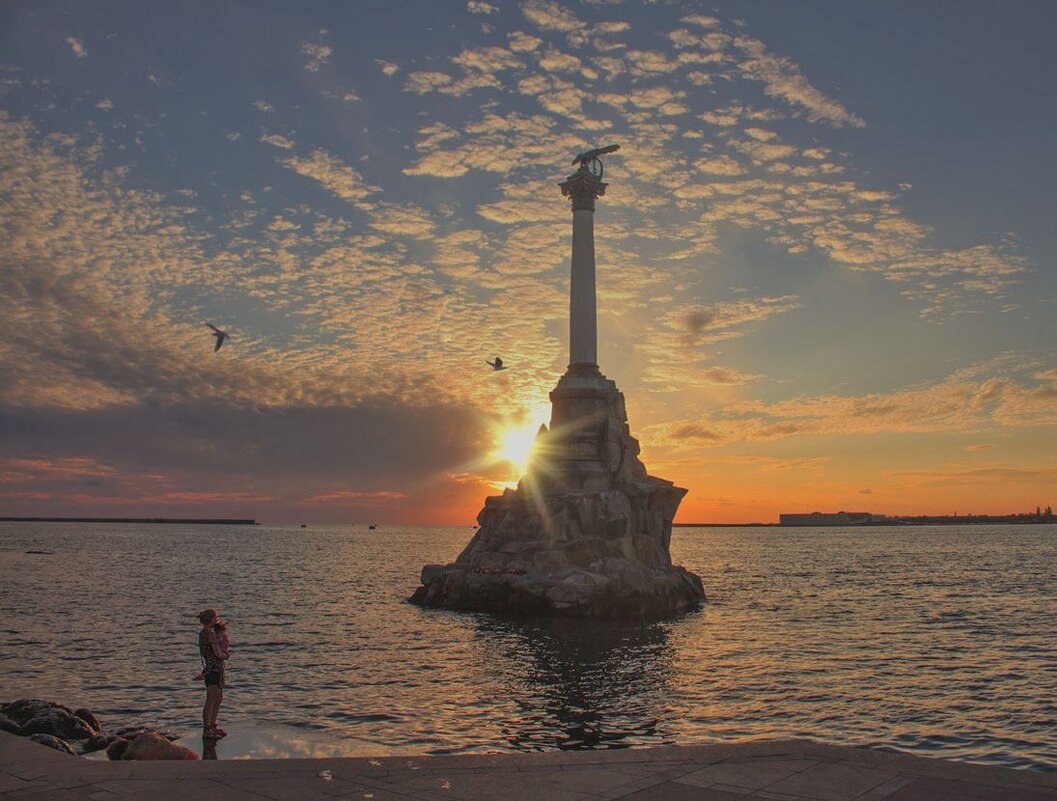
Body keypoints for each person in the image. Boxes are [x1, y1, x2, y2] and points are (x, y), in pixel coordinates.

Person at [197, 608, 229, 739]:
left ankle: (212, 725)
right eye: (215, 617)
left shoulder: (209, 633)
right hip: (212, 669)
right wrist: (225, 654)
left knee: (217, 698)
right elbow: (217, 651)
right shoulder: (207, 634)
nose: (216, 619)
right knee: (211, 699)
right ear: (211, 619)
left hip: (217, 669)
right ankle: (207, 728)